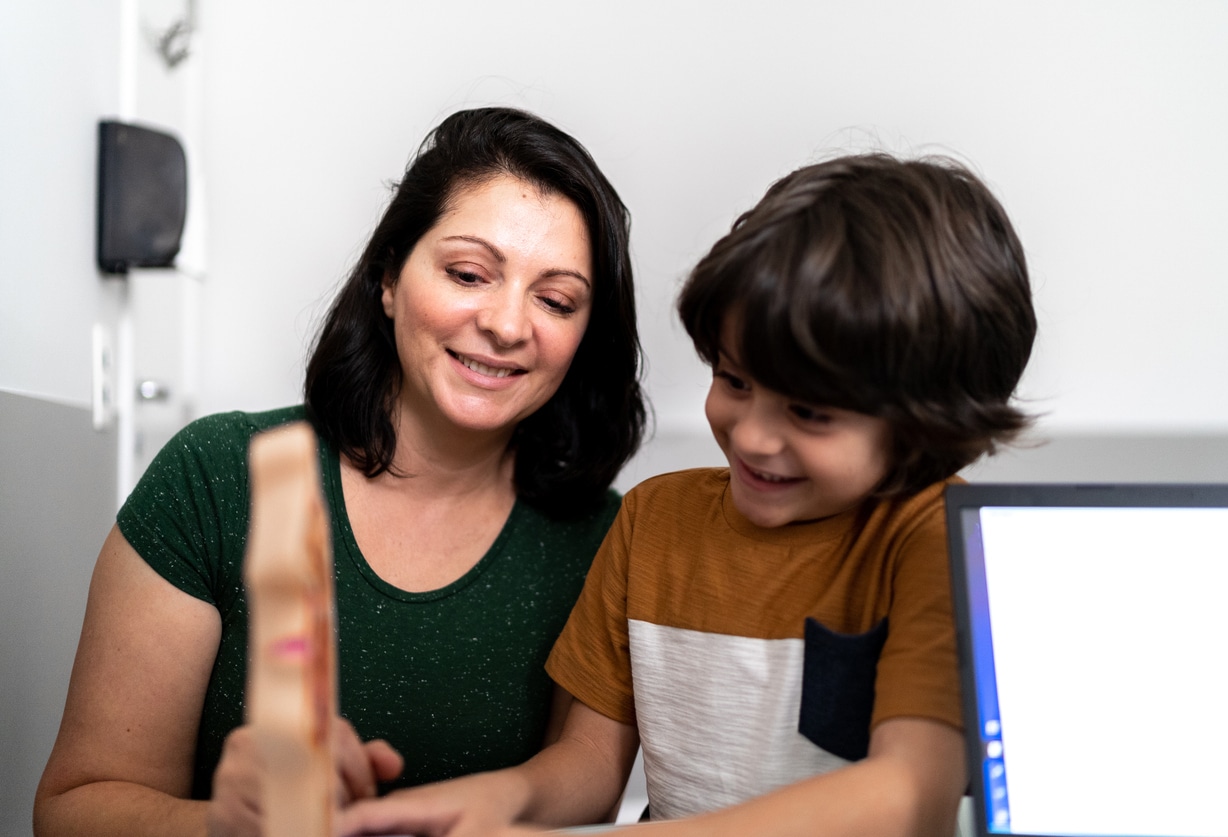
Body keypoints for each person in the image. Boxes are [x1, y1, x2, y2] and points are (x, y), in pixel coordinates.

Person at [339, 152, 1037, 837]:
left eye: (809, 413)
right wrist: (492, 799)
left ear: (924, 424)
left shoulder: (942, 536)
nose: (753, 436)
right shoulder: (653, 520)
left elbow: (905, 796)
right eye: (734, 380)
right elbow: (586, 764)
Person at [33, 106, 646, 837]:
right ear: (388, 278)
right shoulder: (217, 477)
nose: (509, 325)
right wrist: (226, 826)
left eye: (555, 299)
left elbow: (586, 787)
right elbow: (72, 809)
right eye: (468, 273)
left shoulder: (604, 539)